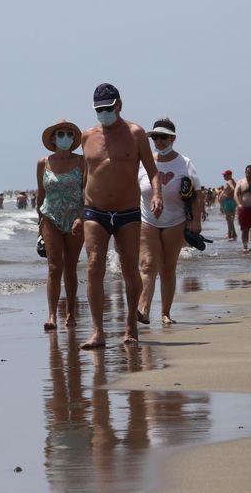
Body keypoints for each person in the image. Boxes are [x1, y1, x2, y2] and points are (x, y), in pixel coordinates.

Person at [80, 83, 163, 349]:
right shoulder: (87, 136)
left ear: (119, 105)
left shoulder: (136, 134)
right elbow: (85, 176)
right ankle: (97, 331)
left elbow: (152, 171)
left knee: (130, 269)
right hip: (95, 210)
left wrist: (157, 195)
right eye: (98, 110)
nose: (103, 113)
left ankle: (130, 324)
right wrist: (77, 211)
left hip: (127, 211)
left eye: (107, 108)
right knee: (94, 266)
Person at [137, 118, 203, 326]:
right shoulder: (144, 162)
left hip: (175, 220)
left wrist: (195, 221)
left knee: (167, 268)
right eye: (155, 137)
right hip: (147, 219)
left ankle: (165, 313)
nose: (159, 141)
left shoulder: (185, 163)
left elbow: (197, 194)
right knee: (148, 265)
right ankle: (143, 310)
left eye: (163, 137)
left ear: (173, 138)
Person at [37, 119, 86, 330]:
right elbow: (41, 194)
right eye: (61, 133)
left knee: (71, 268)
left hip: (75, 219)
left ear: (73, 139)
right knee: (54, 267)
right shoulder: (43, 163)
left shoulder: (82, 162)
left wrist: (82, 217)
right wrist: (39, 223)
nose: (65, 137)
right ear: (53, 138)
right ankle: (51, 316)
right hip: (51, 217)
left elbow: (88, 193)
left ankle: (70, 312)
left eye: (69, 133)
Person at [218, 170, 237, 241]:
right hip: (231, 201)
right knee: (230, 219)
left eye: (225, 175)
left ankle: (230, 235)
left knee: (229, 220)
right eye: (224, 175)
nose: (224, 176)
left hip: (228, 202)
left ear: (230, 175)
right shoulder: (232, 181)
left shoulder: (229, 181)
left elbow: (233, 189)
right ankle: (233, 234)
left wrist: (226, 195)